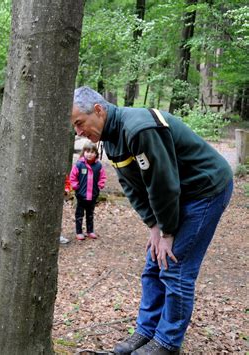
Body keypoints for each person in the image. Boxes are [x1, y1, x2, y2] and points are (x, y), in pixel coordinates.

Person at [71, 86, 233, 355]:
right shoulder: (110, 139)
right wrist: (154, 226)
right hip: (178, 193)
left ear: (98, 110)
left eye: (79, 123)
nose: (78, 132)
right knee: (153, 265)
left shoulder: (138, 129)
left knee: (174, 266)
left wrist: (167, 232)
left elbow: (163, 185)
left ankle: (167, 343)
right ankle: (146, 332)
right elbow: (133, 187)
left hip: (205, 189)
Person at [69, 141, 107, 240]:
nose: (89, 154)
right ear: (84, 152)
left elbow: (102, 177)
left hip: (93, 195)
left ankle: (90, 231)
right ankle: (79, 232)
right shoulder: (79, 165)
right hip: (81, 195)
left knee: (90, 214)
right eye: (87, 151)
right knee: (79, 214)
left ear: (96, 154)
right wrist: (75, 186)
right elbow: (72, 177)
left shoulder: (98, 166)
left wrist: (100, 184)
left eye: (92, 152)